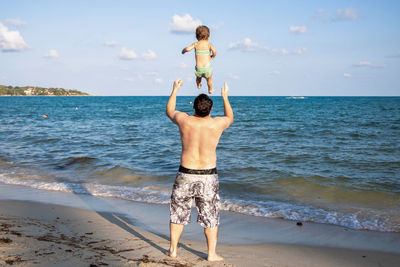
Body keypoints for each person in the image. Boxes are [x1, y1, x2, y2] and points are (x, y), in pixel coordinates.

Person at [166, 78, 233, 262]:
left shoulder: (184, 120)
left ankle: (173, 250)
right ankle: (211, 254)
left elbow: (170, 111)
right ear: (210, 110)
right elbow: (230, 117)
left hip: (185, 173)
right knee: (210, 215)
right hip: (208, 175)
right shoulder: (217, 123)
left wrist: (175, 89)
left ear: (194, 108)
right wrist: (225, 96)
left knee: (178, 212)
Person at [182, 25, 217, 94]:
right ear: (209, 37)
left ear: (196, 37)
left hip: (199, 68)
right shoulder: (209, 44)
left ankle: (198, 84)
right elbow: (214, 51)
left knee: (198, 78)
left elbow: (187, 49)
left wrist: (183, 51)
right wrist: (213, 56)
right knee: (209, 80)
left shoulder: (196, 44)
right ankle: (210, 89)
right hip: (207, 68)